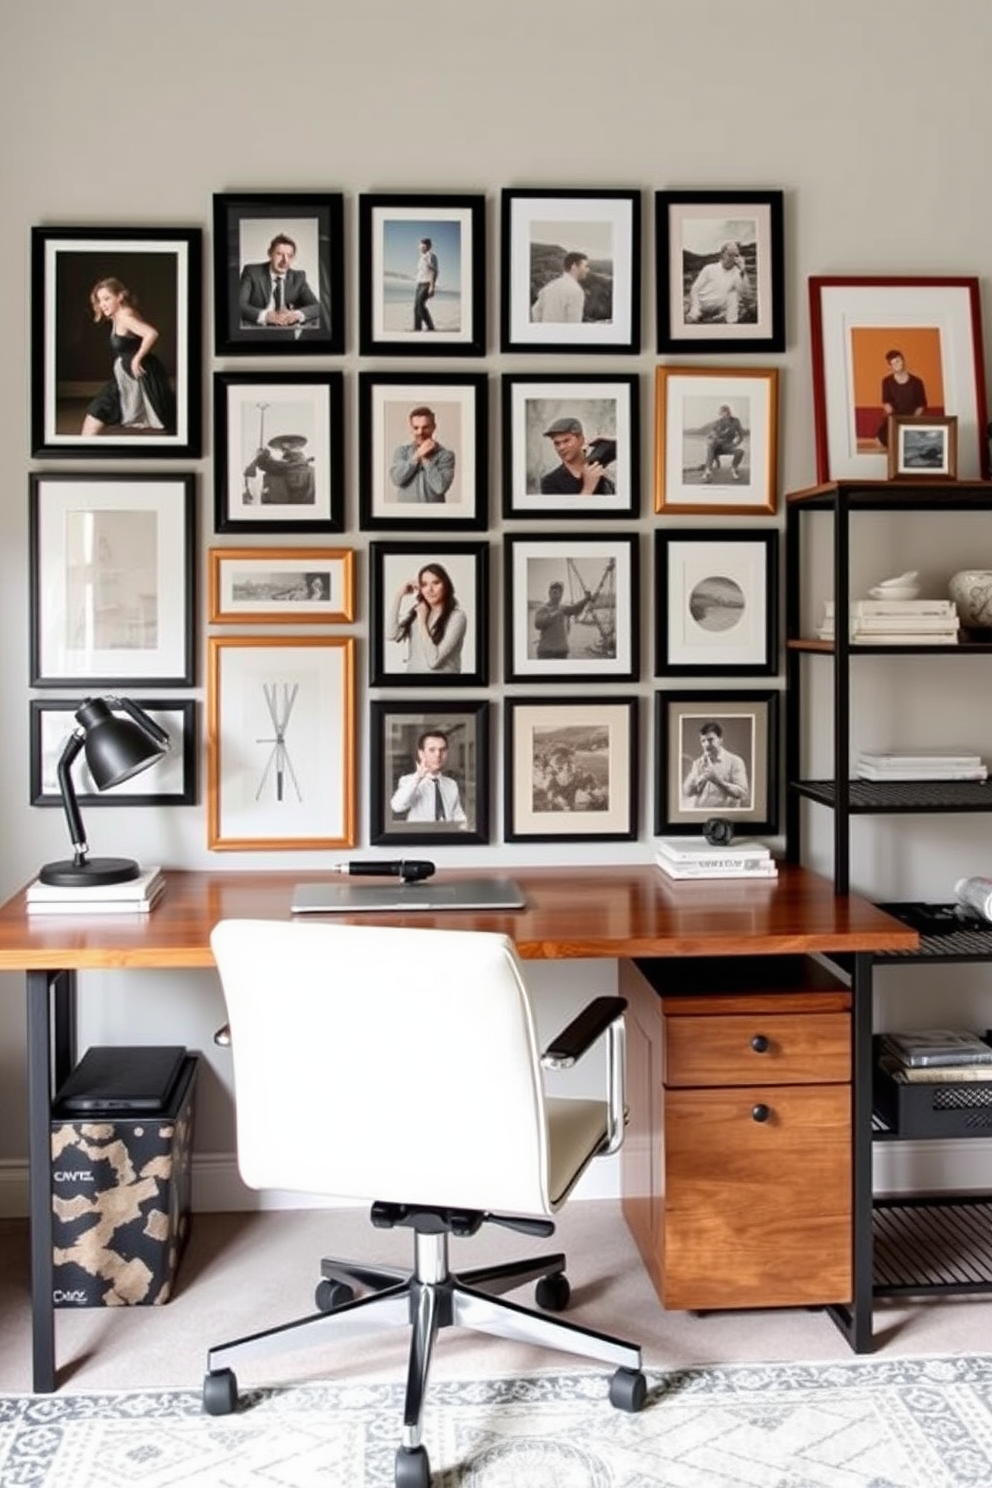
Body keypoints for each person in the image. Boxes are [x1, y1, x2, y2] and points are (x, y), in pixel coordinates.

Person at [80, 278, 175, 436]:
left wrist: (137, 358)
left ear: (120, 297)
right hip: (125, 377)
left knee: (95, 415)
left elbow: (151, 333)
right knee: (95, 415)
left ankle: (81, 454)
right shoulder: (119, 314)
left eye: (106, 298)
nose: (102, 304)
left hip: (137, 375)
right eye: (99, 300)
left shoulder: (124, 316)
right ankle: (83, 452)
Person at [388, 562, 466, 673]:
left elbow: (434, 661)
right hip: (412, 685)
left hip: (445, 687)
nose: (430, 589)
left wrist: (422, 622)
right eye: (424, 584)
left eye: (436, 583)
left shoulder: (457, 617)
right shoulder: (418, 612)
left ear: (446, 585)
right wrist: (399, 595)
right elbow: (391, 635)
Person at [238, 234, 320, 329]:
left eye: (290, 256)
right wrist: (265, 316)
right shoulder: (252, 272)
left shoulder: (298, 277)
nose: (285, 261)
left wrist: (296, 315)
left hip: (287, 330)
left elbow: (317, 307)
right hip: (258, 328)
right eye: (279, 254)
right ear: (270, 253)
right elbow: (239, 305)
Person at [390, 729, 467, 823]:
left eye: (442, 750)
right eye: (432, 750)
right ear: (421, 753)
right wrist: (418, 777)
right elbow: (397, 807)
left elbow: (458, 815)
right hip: (420, 836)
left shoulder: (452, 784)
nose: (438, 755)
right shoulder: (408, 781)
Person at [390, 407, 456, 503]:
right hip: (405, 513)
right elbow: (397, 479)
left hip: (434, 514)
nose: (420, 432)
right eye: (416, 428)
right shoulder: (401, 452)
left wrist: (425, 459)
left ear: (433, 427)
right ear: (411, 429)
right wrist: (417, 455)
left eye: (425, 427)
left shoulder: (446, 455)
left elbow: (440, 487)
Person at [681, 721, 751, 809]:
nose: (706, 745)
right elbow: (687, 793)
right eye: (703, 741)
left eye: (710, 740)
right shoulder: (697, 763)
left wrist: (718, 781)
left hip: (725, 817)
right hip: (700, 816)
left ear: (720, 739)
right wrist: (699, 780)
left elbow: (742, 794)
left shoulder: (735, 761)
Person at [540, 417, 615, 496]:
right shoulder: (550, 482)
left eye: (566, 441)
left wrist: (606, 438)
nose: (561, 448)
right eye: (557, 443)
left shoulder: (598, 465)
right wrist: (588, 489)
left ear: (581, 440)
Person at [685, 240, 751, 325]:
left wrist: (743, 271)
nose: (733, 258)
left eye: (736, 255)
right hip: (702, 305)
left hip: (718, 308)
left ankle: (731, 324)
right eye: (730, 255)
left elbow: (746, 294)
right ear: (722, 255)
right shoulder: (709, 269)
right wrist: (695, 310)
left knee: (733, 294)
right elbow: (695, 289)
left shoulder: (738, 273)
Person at [243, 433, 316, 505]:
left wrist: (263, 456)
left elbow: (270, 465)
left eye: (284, 446)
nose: (282, 448)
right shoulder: (311, 469)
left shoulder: (281, 468)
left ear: (286, 446)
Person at [877, 350, 927, 446]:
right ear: (890, 366)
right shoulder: (886, 381)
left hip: (912, 419)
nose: (897, 364)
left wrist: (912, 421)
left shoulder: (917, 382)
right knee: (884, 441)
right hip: (894, 419)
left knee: (916, 443)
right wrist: (894, 421)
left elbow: (921, 405)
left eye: (898, 361)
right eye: (893, 363)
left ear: (903, 361)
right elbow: (886, 403)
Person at [533, 580, 589, 660]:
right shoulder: (543, 609)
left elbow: (576, 608)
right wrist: (556, 613)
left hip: (562, 652)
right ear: (549, 593)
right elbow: (538, 624)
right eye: (553, 592)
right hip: (545, 652)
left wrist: (586, 599)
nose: (556, 595)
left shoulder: (564, 608)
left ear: (561, 594)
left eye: (559, 593)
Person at [531, 251, 589, 323]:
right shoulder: (576, 291)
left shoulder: (549, 286)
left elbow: (535, 311)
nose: (587, 270)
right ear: (574, 266)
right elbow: (574, 323)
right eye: (585, 266)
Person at [702, 405, 746, 482]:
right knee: (711, 445)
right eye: (720, 413)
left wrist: (736, 444)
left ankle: (734, 468)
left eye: (722, 412)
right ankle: (708, 470)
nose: (721, 415)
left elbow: (741, 435)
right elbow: (712, 435)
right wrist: (720, 434)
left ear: (727, 412)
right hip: (717, 446)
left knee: (740, 452)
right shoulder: (718, 422)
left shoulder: (736, 421)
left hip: (728, 446)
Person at [413, 237, 438, 331]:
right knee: (416, 308)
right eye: (420, 245)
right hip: (419, 284)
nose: (419, 246)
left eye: (422, 245)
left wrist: (432, 286)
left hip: (426, 284)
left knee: (420, 305)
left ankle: (430, 326)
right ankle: (417, 329)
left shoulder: (430, 256)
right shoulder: (422, 257)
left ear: (427, 246)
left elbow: (433, 271)